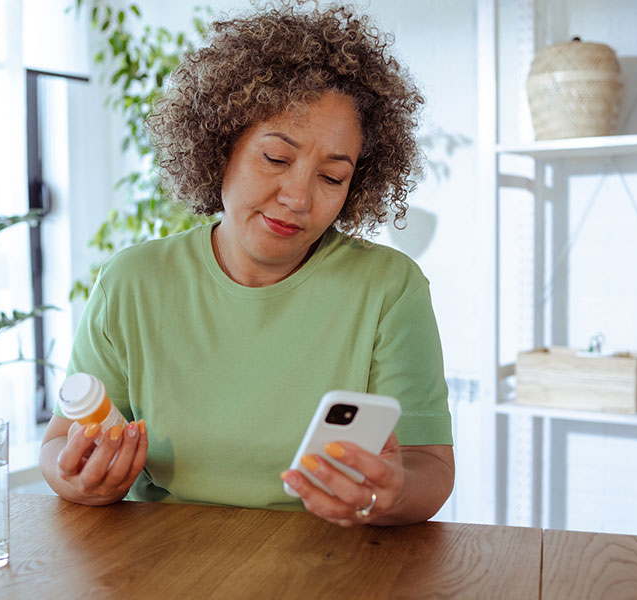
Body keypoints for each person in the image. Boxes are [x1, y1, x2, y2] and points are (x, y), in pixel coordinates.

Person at [41, 2, 454, 527]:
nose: (298, 198)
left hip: (333, 562)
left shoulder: (389, 288)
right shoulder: (134, 281)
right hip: (161, 563)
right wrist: (77, 478)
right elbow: (58, 443)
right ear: (221, 147)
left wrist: (390, 493)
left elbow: (430, 466)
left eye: (331, 177)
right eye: (276, 159)